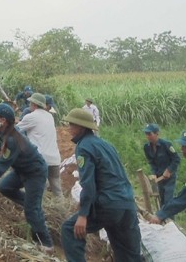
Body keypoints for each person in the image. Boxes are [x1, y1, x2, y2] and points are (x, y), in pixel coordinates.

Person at [0, 103, 54, 253]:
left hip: (35, 172)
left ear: (3, 120)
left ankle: (47, 244)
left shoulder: (14, 140)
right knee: (4, 187)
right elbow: (3, 140)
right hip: (22, 170)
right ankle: (32, 204)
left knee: (31, 211)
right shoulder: (7, 131)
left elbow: (1, 167)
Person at [60, 108, 141, 262]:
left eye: (71, 125)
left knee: (70, 229)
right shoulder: (105, 144)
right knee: (128, 253)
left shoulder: (83, 147)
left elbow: (88, 184)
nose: (68, 128)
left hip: (109, 203)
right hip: (127, 203)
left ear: (81, 127)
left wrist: (83, 215)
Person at [16, 93, 62, 197]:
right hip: (54, 159)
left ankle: (37, 209)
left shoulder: (31, 116)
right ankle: (63, 210)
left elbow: (15, 131)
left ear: (34, 105)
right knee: (57, 190)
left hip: (40, 159)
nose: (29, 105)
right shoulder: (50, 116)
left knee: (37, 188)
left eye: (30, 103)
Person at [142, 123, 180, 207]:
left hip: (169, 177)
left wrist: (169, 170)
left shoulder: (166, 144)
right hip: (159, 178)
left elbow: (176, 159)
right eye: (146, 134)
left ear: (156, 134)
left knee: (168, 200)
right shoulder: (146, 147)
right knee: (161, 200)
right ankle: (163, 219)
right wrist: (154, 173)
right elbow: (151, 162)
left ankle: (170, 220)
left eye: (150, 134)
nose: (148, 136)